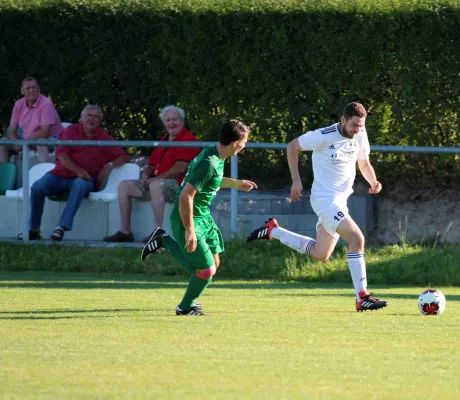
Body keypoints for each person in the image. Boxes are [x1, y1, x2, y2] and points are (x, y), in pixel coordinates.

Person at [247, 102, 387, 312]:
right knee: (357, 239)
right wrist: (296, 181)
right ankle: (362, 297)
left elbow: (364, 163)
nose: (357, 130)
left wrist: (373, 181)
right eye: (354, 125)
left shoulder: (360, 134)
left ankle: (273, 231)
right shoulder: (323, 135)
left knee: (321, 254)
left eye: (361, 126)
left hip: (340, 201)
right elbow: (292, 146)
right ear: (342, 120)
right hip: (324, 200)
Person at [141, 119, 256, 316]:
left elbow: (212, 181)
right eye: (244, 142)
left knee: (213, 264)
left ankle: (162, 240)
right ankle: (185, 307)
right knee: (204, 270)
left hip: (203, 217)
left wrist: (236, 184)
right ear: (235, 143)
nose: (245, 146)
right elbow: (186, 195)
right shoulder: (210, 162)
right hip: (188, 217)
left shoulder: (215, 154)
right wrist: (190, 230)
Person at [19, 105, 128, 241]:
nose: (92, 119)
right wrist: (79, 171)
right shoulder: (70, 131)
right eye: (89, 115)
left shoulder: (104, 137)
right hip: (59, 175)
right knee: (37, 188)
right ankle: (33, 229)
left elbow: (123, 156)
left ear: (100, 121)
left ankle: (61, 228)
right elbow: (62, 156)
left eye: (96, 116)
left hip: (86, 179)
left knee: (80, 184)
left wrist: (109, 165)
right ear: (82, 117)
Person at [103, 105, 201, 243]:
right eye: (168, 120)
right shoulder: (164, 139)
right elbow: (150, 165)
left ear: (182, 121)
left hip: (181, 186)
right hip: (159, 184)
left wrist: (154, 179)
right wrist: (145, 176)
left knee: (155, 184)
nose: (171, 123)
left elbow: (180, 167)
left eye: (175, 119)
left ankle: (158, 233)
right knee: (124, 185)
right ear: (164, 123)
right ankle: (125, 232)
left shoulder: (188, 139)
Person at [0, 77, 63, 163]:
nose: (31, 90)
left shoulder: (46, 104)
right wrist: (17, 144)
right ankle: (4, 174)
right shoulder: (18, 104)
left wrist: (24, 146)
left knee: (41, 143)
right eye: (28, 88)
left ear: (38, 89)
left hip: (52, 139)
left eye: (34, 87)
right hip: (28, 140)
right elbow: (11, 130)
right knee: (3, 142)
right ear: (22, 91)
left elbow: (44, 133)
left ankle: (45, 175)